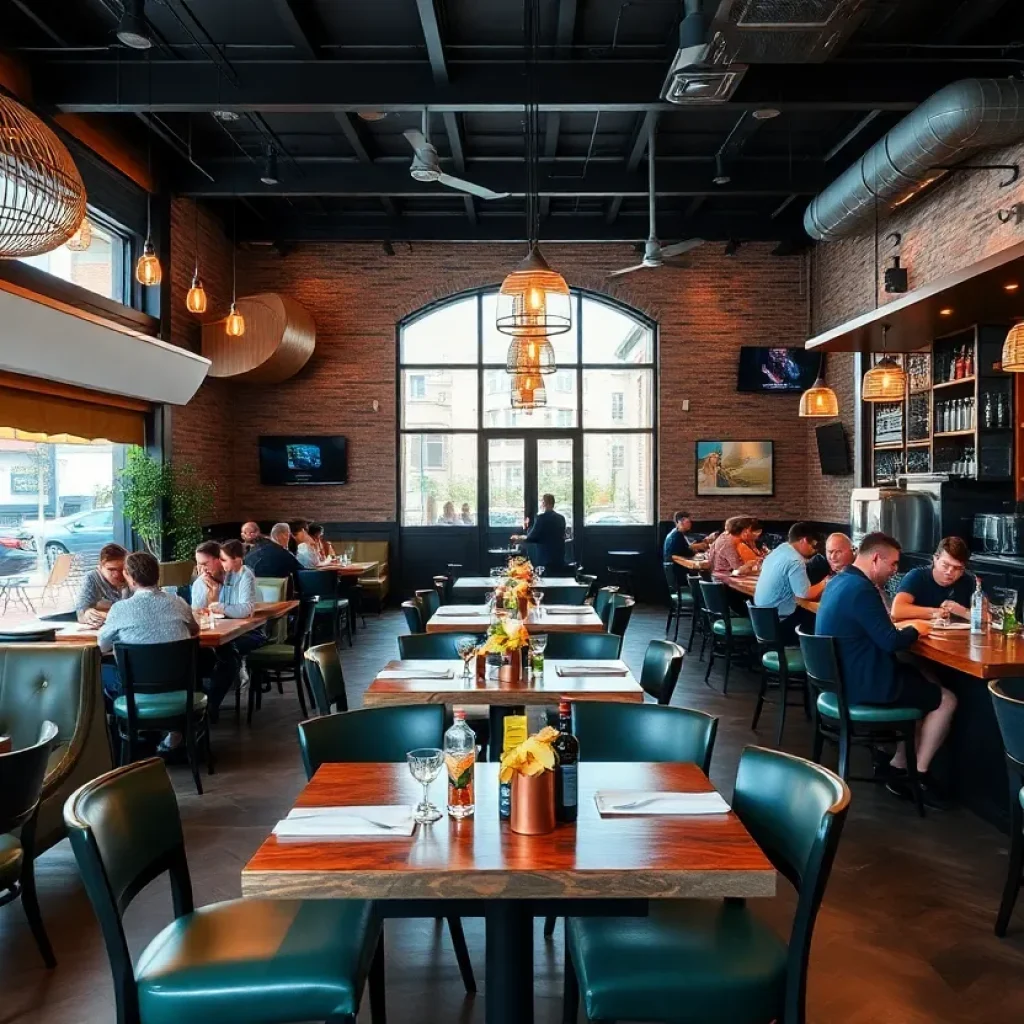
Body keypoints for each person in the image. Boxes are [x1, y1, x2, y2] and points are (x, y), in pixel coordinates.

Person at [815, 532, 954, 809]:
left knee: (921, 677)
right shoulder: (861, 589)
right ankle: (919, 775)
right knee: (947, 699)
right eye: (892, 565)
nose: (895, 571)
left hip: (838, 680)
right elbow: (890, 641)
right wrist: (918, 628)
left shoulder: (839, 581)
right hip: (863, 685)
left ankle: (899, 764)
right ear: (876, 559)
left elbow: (877, 631)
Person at [97, 551, 200, 752]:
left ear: (129, 576)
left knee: (98, 673)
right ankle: (172, 731)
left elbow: (101, 646)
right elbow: (194, 630)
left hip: (135, 690)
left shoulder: (119, 609)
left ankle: (125, 739)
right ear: (157, 575)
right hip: (178, 686)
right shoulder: (178, 602)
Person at [191, 540, 266, 715]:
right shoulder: (200, 584)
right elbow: (198, 614)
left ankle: (208, 708)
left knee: (227, 653)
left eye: (204, 564)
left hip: (249, 632)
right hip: (218, 635)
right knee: (200, 654)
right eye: (198, 564)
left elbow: (246, 610)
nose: (201, 569)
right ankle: (200, 707)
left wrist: (218, 603)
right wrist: (212, 599)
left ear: (220, 559)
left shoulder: (242, 576)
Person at [753, 522, 827, 643]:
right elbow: (805, 593)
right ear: (803, 540)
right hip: (779, 625)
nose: (814, 551)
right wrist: (827, 582)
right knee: (821, 618)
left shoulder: (779, 550)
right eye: (813, 546)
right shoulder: (796, 561)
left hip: (762, 622)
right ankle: (816, 659)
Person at [891, 536, 977, 622]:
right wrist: (936, 613)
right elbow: (897, 610)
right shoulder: (917, 576)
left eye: (957, 568)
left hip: (956, 634)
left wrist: (964, 612)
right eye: (945, 565)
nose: (949, 572)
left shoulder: (968, 581)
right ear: (935, 559)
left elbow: (987, 617)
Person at [76, 543, 129, 627]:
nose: (117, 574)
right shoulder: (91, 578)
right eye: (111, 570)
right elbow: (81, 613)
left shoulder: (132, 577)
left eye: (122, 569)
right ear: (100, 567)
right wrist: (87, 613)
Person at [515, 493, 567, 571]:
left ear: (544, 504)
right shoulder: (561, 518)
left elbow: (532, 538)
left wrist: (520, 538)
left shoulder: (541, 518)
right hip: (559, 555)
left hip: (545, 557)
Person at [244, 521, 303, 587]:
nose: (288, 539)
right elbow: (302, 572)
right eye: (288, 536)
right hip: (278, 593)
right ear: (281, 535)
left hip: (252, 592)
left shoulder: (251, 553)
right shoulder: (282, 553)